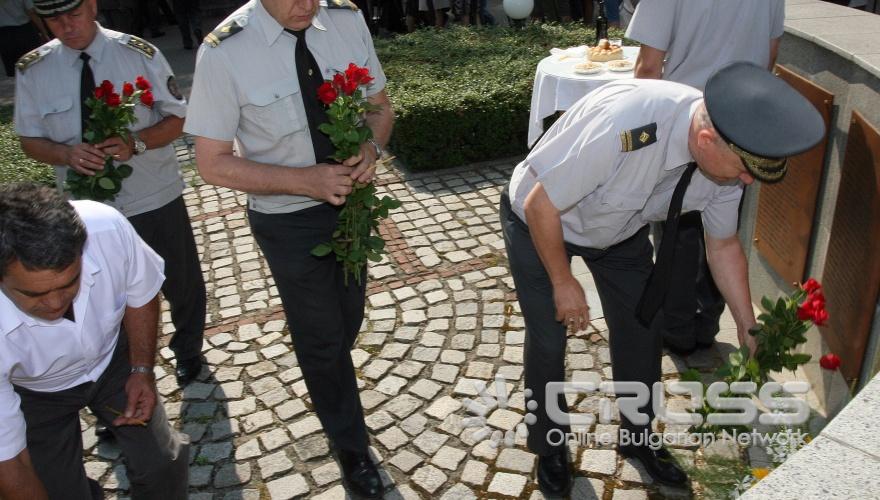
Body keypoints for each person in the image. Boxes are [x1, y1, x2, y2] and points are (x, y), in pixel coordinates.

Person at [501, 63, 824, 496]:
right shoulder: (629, 125)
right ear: (707, 140)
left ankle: (637, 436)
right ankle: (550, 446)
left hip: (619, 233)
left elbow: (723, 246)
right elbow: (543, 205)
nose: (747, 181)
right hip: (539, 219)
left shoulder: (728, 160)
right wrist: (564, 281)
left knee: (642, 327)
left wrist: (748, 324)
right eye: (745, 170)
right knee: (548, 338)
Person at [184, 0, 394, 497]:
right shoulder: (223, 51)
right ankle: (351, 445)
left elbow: (379, 106)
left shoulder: (346, 20)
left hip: (353, 209)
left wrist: (371, 148)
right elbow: (212, 164)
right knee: (321, 334)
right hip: (287, 219)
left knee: (347, 317)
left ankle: (329, 381)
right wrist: (304, 181)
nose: (307, 5)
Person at [14, 0, 207, 388]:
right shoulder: (34, 70)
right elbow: (29, 140)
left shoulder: (137, 54)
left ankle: (188, 349)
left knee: (180, 280)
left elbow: (181, 118)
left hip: (152, 194)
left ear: (92, 6)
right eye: (54, 20)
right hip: (87, 208)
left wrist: (136, 141)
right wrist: (65, 153)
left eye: (73, 15)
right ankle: (116, 373)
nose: (66, 27)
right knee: (98, 293)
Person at [0, 183, 190, 500]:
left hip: (114, 361)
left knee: (162, 464)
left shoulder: (107, 227)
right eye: (34, 294)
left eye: (69, 282)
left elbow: (140, 292)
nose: (55, 303)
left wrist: (142, 369)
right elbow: (11, 463)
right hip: (33, 394)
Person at [626, 0, 785, 355]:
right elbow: (771, 53)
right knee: (721, 230)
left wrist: (646, 138)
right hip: (739, 127)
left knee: (676, 233)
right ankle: (705, 325)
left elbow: (648, 68)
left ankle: (677, 329)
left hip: (684, 126)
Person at [0, 0, 49, 77]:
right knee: (35, 65)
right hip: (25, 32)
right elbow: (31, 11)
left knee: (14, 70)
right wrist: (44, 32)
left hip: (4, 34)